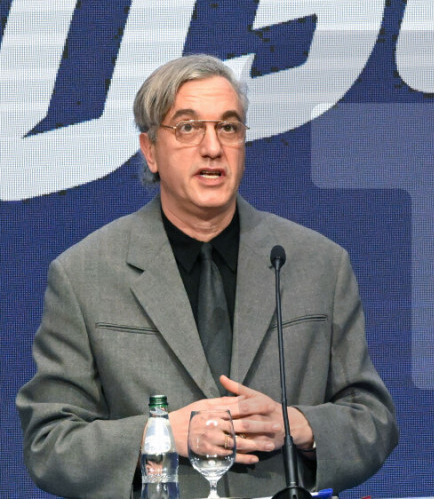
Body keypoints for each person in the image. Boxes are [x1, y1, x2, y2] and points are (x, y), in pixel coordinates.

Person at [17, 54, 398, 498]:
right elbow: (49, 444)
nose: (213, 147)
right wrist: (159, 434)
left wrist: (297, 424)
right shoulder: (85, 275)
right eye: (188, 128)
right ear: (150, 150)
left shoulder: (317, 265)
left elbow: (373, 420)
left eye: (229, 127)